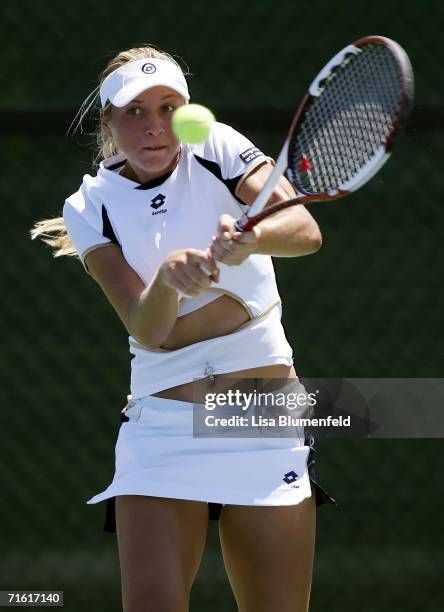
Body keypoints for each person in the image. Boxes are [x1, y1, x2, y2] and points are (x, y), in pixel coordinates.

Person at [31, 44, 335, 612]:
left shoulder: (216, 145)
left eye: (169, 107)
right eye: (135, 111)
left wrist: (254, 238)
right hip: (162, 425)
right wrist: (169, 281)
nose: (155, 126)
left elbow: (304, 228)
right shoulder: (89, 204)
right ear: (108, 122)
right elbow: (147, 330)